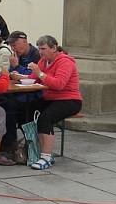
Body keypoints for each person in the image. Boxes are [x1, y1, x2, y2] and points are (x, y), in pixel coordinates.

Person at [17, 35, 83, 171]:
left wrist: (40, 73)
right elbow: (33, 78)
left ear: (54, 48)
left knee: (45, 118)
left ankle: (46, 156)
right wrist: (20, 76)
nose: (40, 52)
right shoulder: (43, 61)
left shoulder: (65, 62)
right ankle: (33, 148)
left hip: (69, 99)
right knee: (25, 110)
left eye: (44, 48)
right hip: (50, 98)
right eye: (39, 48)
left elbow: (59, 84)